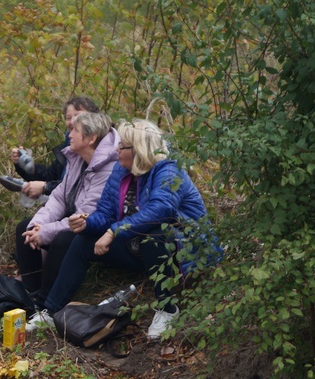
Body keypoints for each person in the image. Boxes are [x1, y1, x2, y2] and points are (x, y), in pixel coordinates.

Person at [28, 119, 218, 339]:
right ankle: (51, 312)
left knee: (155, 234)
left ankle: (167, 309)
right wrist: (87, 222)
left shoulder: (168, 169)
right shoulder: (120, 171)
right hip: (135, 249)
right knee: (82, 240)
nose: (116, 149)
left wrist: (113, 232)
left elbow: (162, 209)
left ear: (139, 150)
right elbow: (106, 214)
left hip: (180, 252)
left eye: (123, 146)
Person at [15, 110, 119, 321]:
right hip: (73, 221)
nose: (69, 134)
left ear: (90, 138)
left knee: (64, 239)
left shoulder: (108, 168)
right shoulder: (77, 158)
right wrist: (38, 225)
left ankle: (45, 303)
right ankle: (30, 295)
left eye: (75, 131)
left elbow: (86, 214)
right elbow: (59, 198)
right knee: (24, 228)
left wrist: (46, 232)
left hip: (97, 229)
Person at [0, 97, 101, 201]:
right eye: (68, 117)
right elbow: (50, 175)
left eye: (77, 115)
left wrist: (46, 187)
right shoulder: (69, 146)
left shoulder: (99, 152)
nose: (72, 122)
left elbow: (77, 188)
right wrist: (25, 166)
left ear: (93, 118)